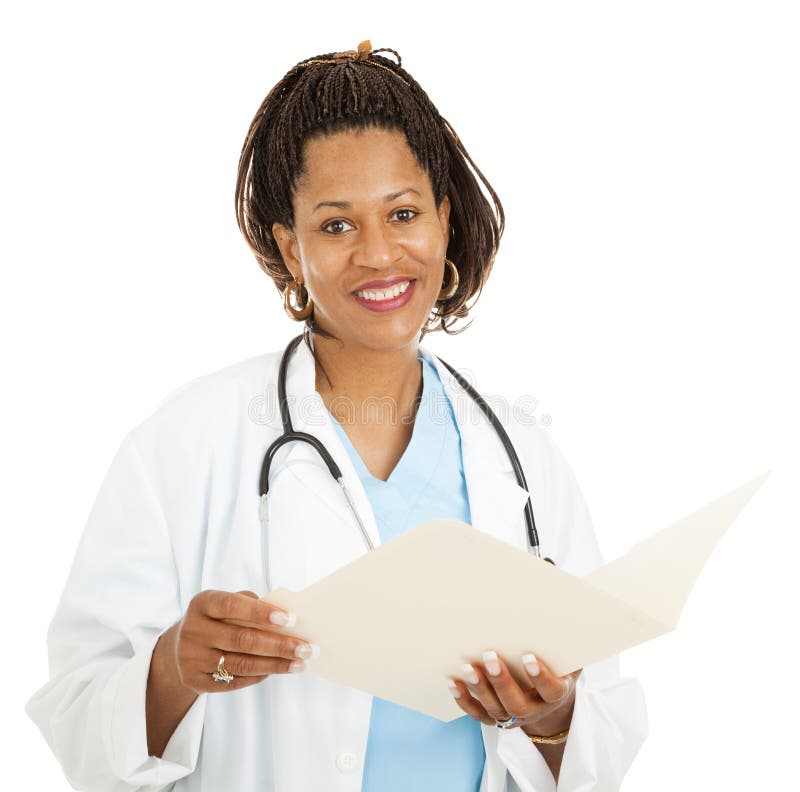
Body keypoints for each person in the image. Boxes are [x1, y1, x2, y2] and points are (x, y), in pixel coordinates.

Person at [26, 40, 648, 791]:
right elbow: (78, 719)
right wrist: (171, 668)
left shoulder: (521, 455)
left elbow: (603, 735)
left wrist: (552, 717)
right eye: (336, 226)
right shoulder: (183, 445)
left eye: (404, 213)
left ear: (444, 221)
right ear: (289, 248)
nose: (380, 254)